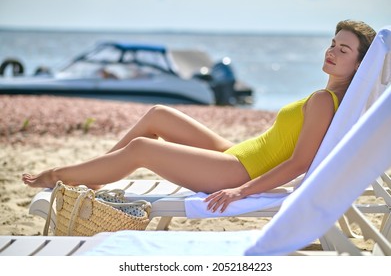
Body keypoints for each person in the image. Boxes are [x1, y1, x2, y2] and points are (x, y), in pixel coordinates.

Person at [23, 20, 376, 213]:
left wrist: (241, 190)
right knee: (158, 113)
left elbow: (300, 163)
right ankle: (98, 173)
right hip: (237, 153)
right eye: (333, 43)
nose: (332, 51)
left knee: (143, 148)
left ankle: (58, 176)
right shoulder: (329, 98)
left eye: (343, 50)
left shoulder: (323, 101)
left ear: (358, 64)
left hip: (238, 170)